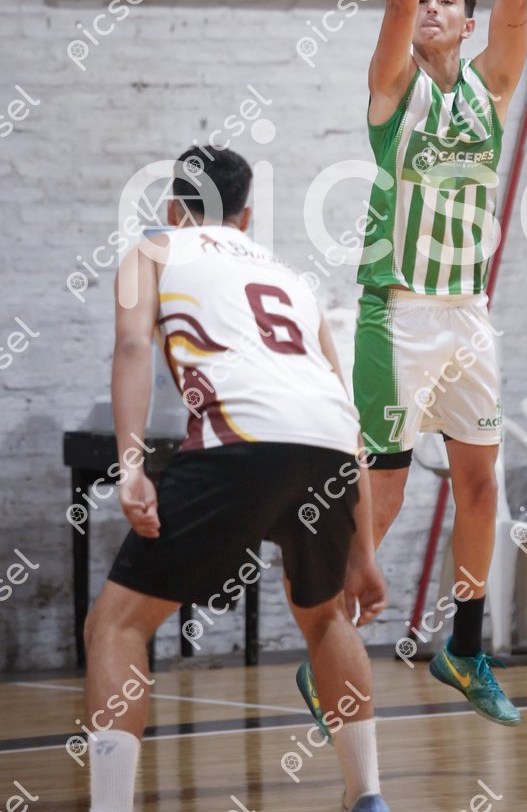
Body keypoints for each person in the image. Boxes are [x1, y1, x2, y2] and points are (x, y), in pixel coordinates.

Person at [298, 0, 527, 730]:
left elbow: (518, 2)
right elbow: (395, 1)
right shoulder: (394, 89)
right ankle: (327, 644)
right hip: (394, 313)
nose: (432, 5)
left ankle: (464, 647)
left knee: (481, 484)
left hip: (467, 314)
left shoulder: (490, 88)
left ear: (467, 26)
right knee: (386, 493)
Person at [82, 146, 391, 812]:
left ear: (173, 207)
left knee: (115, 625)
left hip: (241, 442)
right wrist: (364, 552)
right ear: (245, 216)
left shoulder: (153, 248)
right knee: (325, 615)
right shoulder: (291, 278)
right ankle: (367, 794)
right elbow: (345, 412)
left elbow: (133, 346)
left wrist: (132, 467)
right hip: (329, 449)